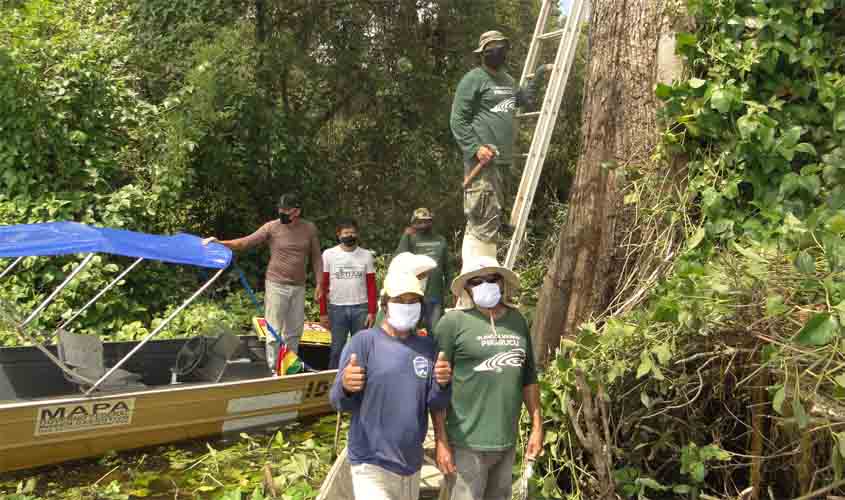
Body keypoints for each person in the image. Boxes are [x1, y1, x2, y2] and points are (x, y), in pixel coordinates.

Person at [330, 270, 453, 500]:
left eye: (413, 301)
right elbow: (338, 401)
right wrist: (346, 386)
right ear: (385, 305)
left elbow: (435, 402)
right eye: (399, 301)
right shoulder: (364, 342)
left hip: (410, 466)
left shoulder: (427, 347)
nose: (407, 306)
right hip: (371, 464)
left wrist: (443, 384)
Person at [433, 255, 543, 500]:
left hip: (506, 440)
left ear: (502, 283)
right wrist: (441, 440)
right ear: (467, 289)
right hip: (465, 442)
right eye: (476, 281)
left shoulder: (517, 321)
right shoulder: (452, 323)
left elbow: (529, 377)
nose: (486, 285)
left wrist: (537, 425)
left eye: (492, 279)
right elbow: (436, 387)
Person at [202, 193, 322, 370]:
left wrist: (320, 283)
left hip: (298, 287)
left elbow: (316, 258)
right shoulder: (271, 227)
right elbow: (245, 242)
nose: (282, 212)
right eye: (280, 209)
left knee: (294, 332)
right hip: (276, 284)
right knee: (273, 331)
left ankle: (289, 369)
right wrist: (220, 243)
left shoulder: (309, 229)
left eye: (286, 210)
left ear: (296, 211)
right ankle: (274, 368)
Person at [450, 30, 541, 261]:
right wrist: (475, 148)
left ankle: (488, 275)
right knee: (482, 222)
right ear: (483, 54)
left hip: (503, 162)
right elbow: (457, 120)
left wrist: (536, 81)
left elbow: (523, 99)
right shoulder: (474, 79)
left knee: (495, 219)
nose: (497, 52)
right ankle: (476, 280)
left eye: (501, 48)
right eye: (492, 49)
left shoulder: (508, 81)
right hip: (483, 163)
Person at [319, 217, 377, 369]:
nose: (349, 236)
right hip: (337, 308)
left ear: (357, 234)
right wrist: (323, 312)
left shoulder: (366, 255)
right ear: (339, 235)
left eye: (352, 233)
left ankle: (362, 383)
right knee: (337, 350)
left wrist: (372, 311)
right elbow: (323, 285)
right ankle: (332, 381)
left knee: (361, 350)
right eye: (346, 233)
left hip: (361, 308)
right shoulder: (328, 254)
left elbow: (371, 285)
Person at [395, 208, 451, 332]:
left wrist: (448, 291)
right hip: (413, 294)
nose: (423, 225)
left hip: (435, 295)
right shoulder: (410, 238)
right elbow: (398, 261)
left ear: (432, 222)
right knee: (410, 329)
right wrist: (405, 236)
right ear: (413, 223)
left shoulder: (441, 240)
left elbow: (448, 268)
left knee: (435, 331)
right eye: (419, 222)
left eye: (427, 221)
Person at [373, 252, 438, 329]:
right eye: (420, 276)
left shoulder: (420, 305)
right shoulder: (388, 310)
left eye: (425, 275)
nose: (424, 279)